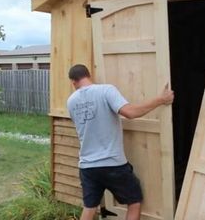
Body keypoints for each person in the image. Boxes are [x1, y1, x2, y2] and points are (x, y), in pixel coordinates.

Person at [66, 64, 174, 220]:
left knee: (89, 207)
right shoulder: (106, 90)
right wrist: (161, 99)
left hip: (87, 166)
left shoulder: (71, 101)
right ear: (89, 76)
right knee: (134, 201)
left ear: (73, 82)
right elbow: (130, 113)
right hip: (112, 163)